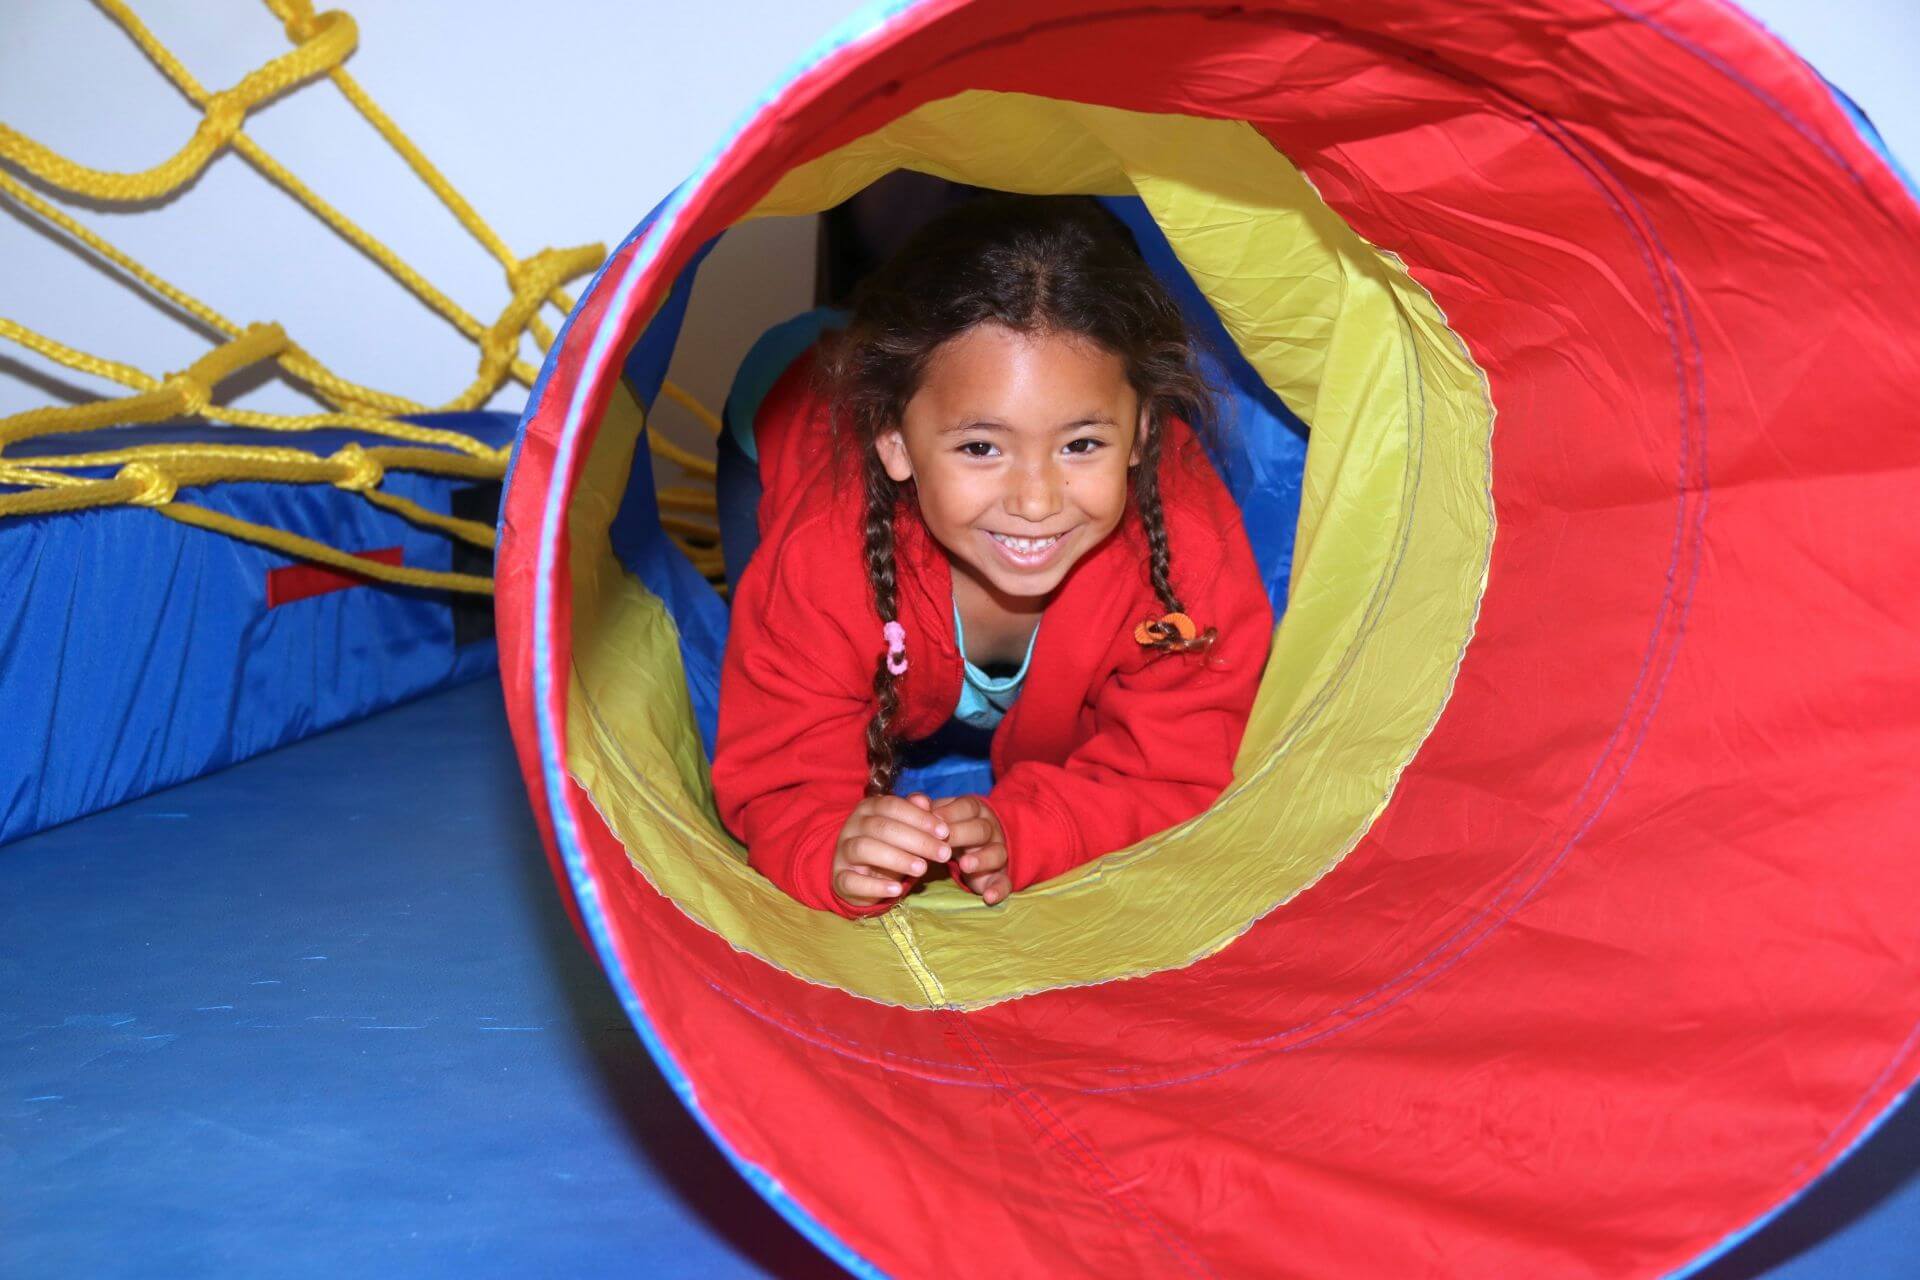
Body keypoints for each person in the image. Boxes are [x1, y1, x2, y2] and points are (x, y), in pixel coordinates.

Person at [710, 194, 1274, 918]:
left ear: (1140, 435)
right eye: (982, 447)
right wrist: (829, 843)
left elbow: (1180, 764)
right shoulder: (826, 556)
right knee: (764, 647)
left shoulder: (1181, 544)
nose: (1036, 500)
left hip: (918, 377)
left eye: (1081, 445)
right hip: (788, 414)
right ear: (895, 445)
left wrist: (1030, 827)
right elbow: (776, 768)